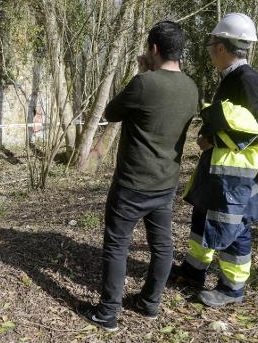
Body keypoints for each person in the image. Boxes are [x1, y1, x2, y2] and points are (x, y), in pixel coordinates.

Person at [171, 13, 258, 307]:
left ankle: (232, 289)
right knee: (202, 215)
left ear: (222, 47)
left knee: (234, 228)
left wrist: (214, 139)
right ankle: (193, 271)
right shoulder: (231, 78)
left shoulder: (249, 81)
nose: (210, 49)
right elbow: (228, 118)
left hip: (236, 175)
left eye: (212, 43)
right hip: (218, 168)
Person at [80, 21, 198, 332]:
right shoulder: (191, 87)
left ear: (154, 49)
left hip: (132, 184)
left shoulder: (144, 83)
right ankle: (149, 303)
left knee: (117, 245)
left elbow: (111, 113)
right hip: (166, 183)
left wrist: (142, 75)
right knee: (162, 244)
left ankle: (108, 314)